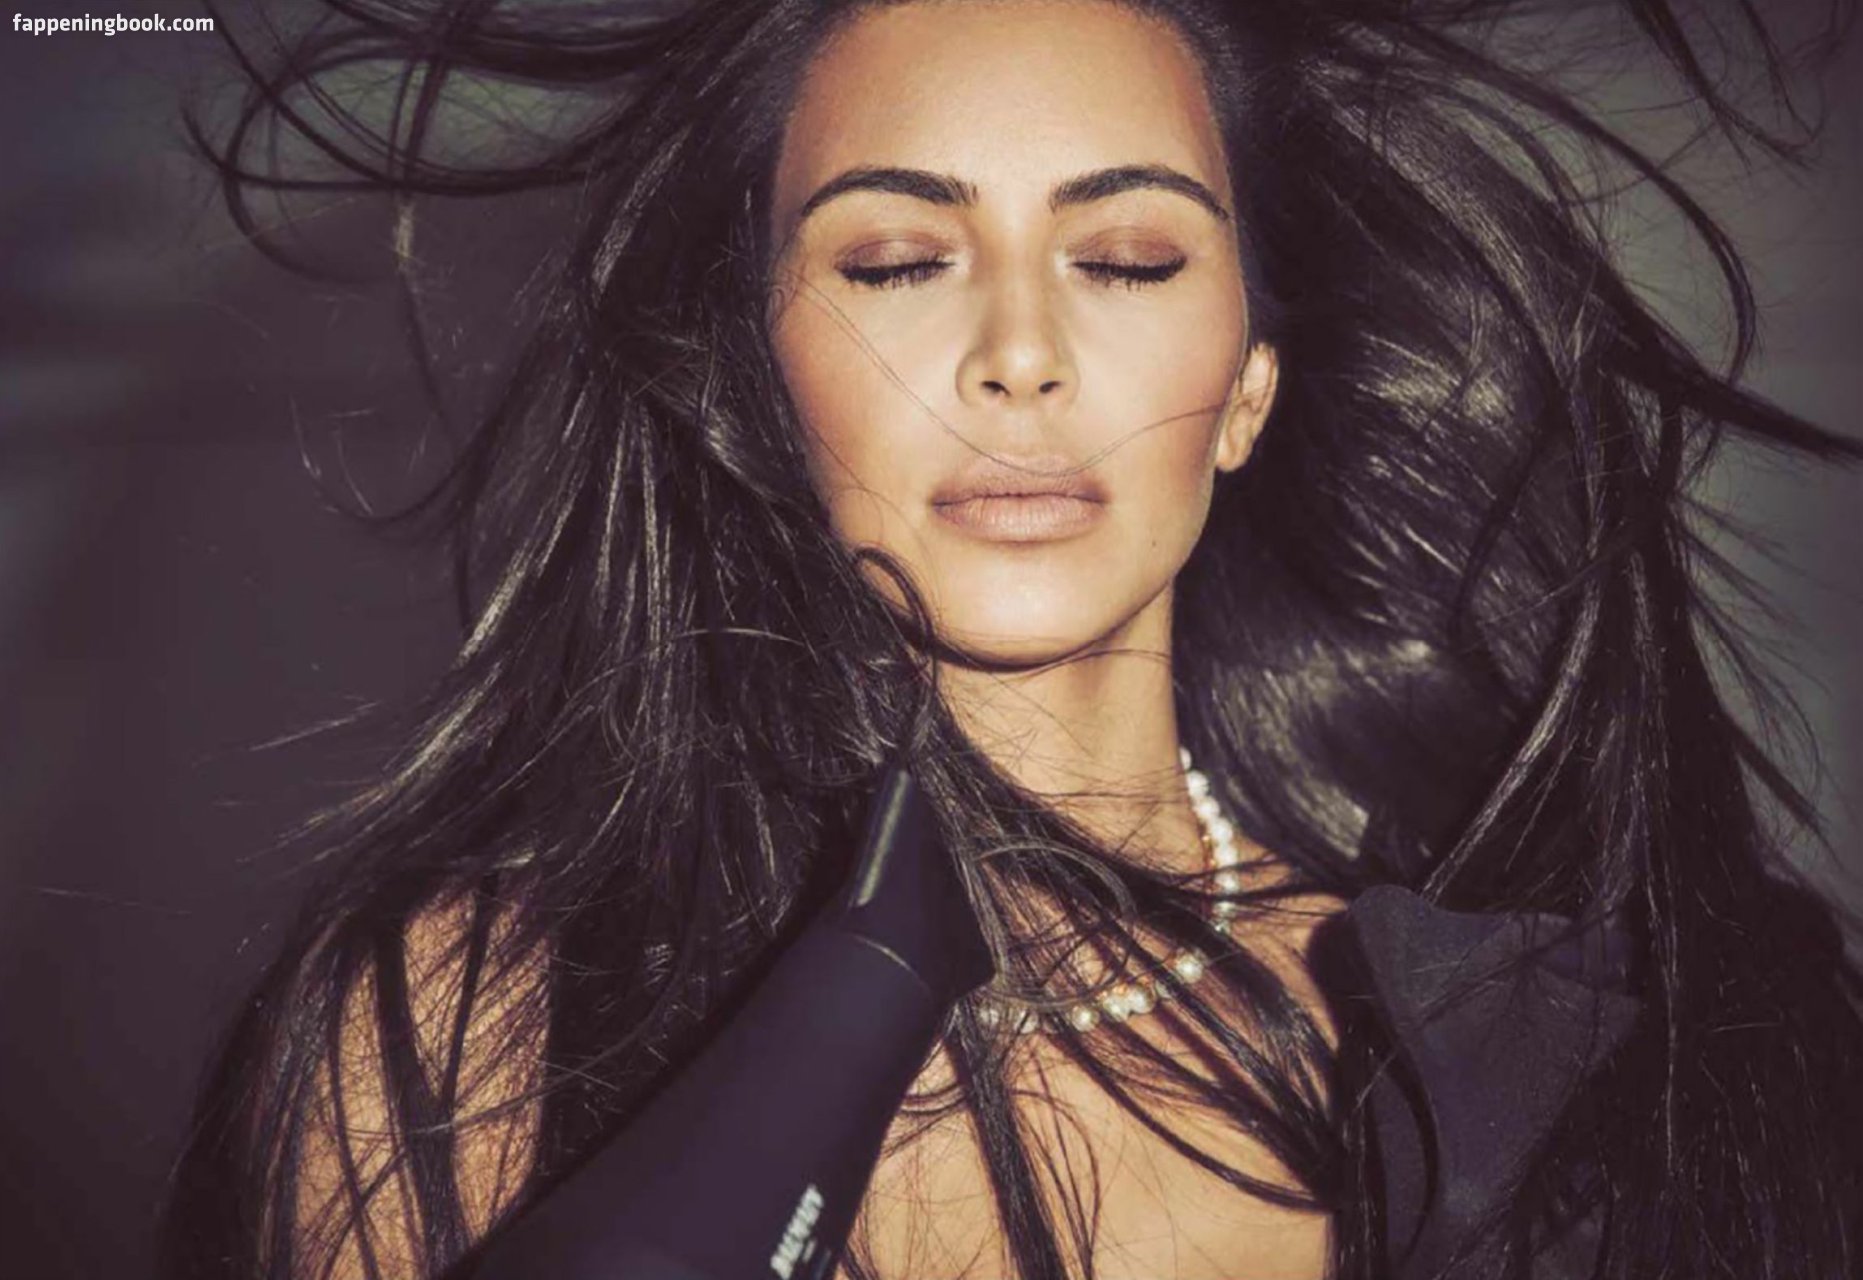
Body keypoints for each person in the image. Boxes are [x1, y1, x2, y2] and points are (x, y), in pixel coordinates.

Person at [156, 1, 1863, 1277]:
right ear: (757, 378)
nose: (1022, 353)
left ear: (1248, 391)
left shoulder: (1572, 1059)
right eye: (900, 259)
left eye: (1127, 256)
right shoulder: (464, 1041)